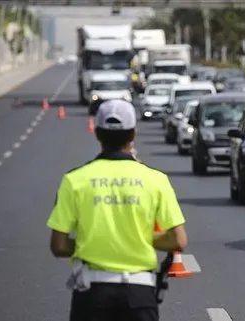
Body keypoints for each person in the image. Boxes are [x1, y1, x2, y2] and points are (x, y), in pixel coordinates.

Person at [46, 99, 188, 321]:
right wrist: (137, 238)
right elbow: (178, 240)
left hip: (92, 293)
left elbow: (59, 245)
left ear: (98, 134)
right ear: (132, 135)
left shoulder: (74, 181)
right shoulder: (156, 180)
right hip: (139, 294)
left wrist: (94, 242)